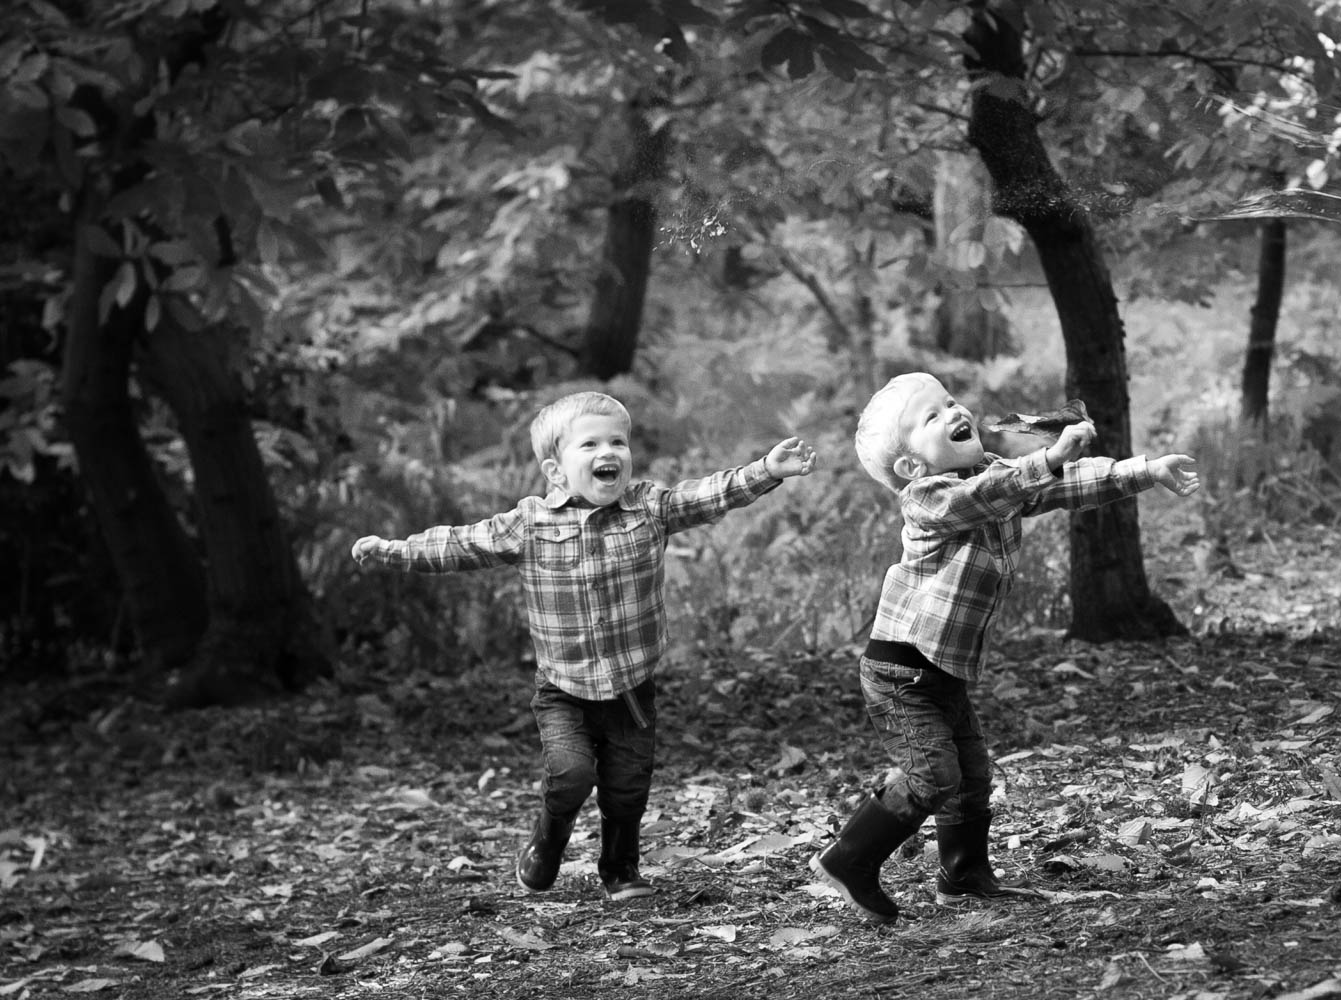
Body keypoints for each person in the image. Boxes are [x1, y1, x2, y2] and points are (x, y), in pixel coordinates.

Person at [352, 391, 817, 901]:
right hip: (563, 686)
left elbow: (707, 496)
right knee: (571, 773)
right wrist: (394, 552)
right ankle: (547, 841)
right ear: (555, 470)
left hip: (631, 688)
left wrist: (767, 470)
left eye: (618, 441)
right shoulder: (529, 523)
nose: (609, 452)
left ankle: (620, 869)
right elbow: (462, 543)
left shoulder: (649, 508)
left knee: (627, 786)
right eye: (590, 443)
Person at [810, 372, 1198, 924]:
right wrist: (1044, 460)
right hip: (901, 671)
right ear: (910, 467)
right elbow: (988, 495)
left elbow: (1056, 488)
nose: (952, 412)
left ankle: (963, 877)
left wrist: (1143, 471)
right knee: (932, 778)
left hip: (942, 669)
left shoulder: (994, 472)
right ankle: (849, 859)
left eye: (949, 401)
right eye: (931, 417)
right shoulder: (928, 498)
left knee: (971, 779)